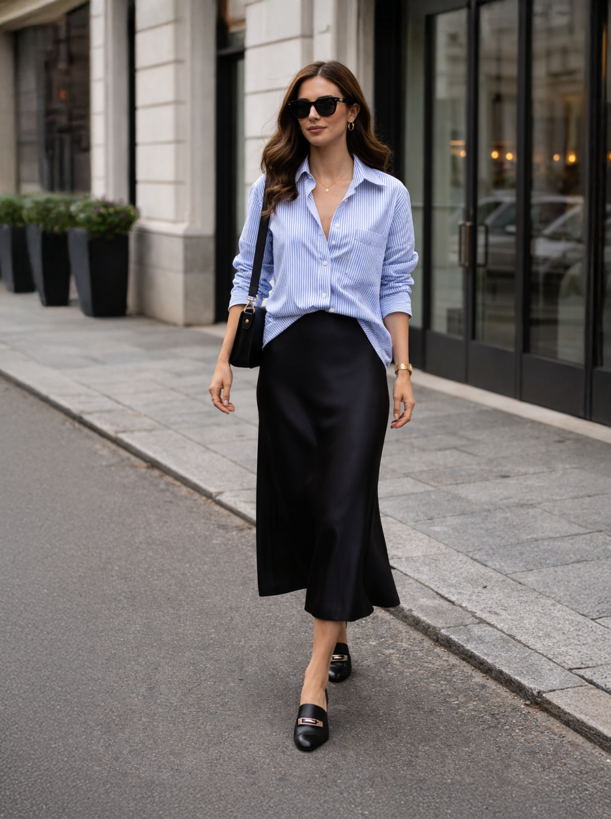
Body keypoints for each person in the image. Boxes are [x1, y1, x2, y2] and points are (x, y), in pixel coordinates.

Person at [208, 60, 418, 752]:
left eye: (328, 103)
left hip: (356, 363)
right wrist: (223, 356)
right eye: (303, 107)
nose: (314, 115)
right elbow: (248, 271)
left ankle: (313, 679)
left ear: (353, 111)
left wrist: (403, 367)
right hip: (291, 364)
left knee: (343, 500)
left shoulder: (388, 195)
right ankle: (342, 629)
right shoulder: (272, 189)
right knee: (310, 501)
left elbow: (395, 282)